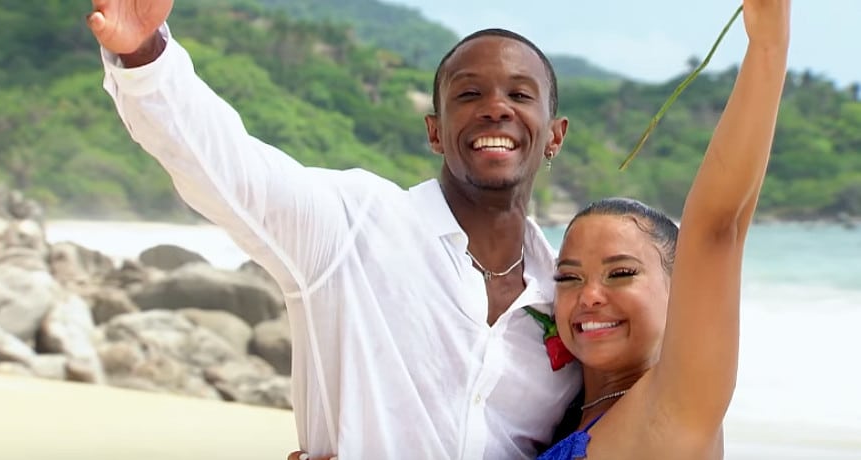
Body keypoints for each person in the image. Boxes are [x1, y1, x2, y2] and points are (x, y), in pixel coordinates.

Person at [86, 1, 581, 458]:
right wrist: (144, 54)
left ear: (554, 135)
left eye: (519, 93)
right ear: (435, 131)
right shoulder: (353, 225)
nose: (496, 107)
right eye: (469, 93)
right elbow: (228, 168)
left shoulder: (571, 300)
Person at [537, 1, 791, 458]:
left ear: (681, 291)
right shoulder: (553, 413)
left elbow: (718, 229)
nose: (590, 295)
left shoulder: (674, 408)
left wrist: (768, 46)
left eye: (621, 273)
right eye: (568, 277)